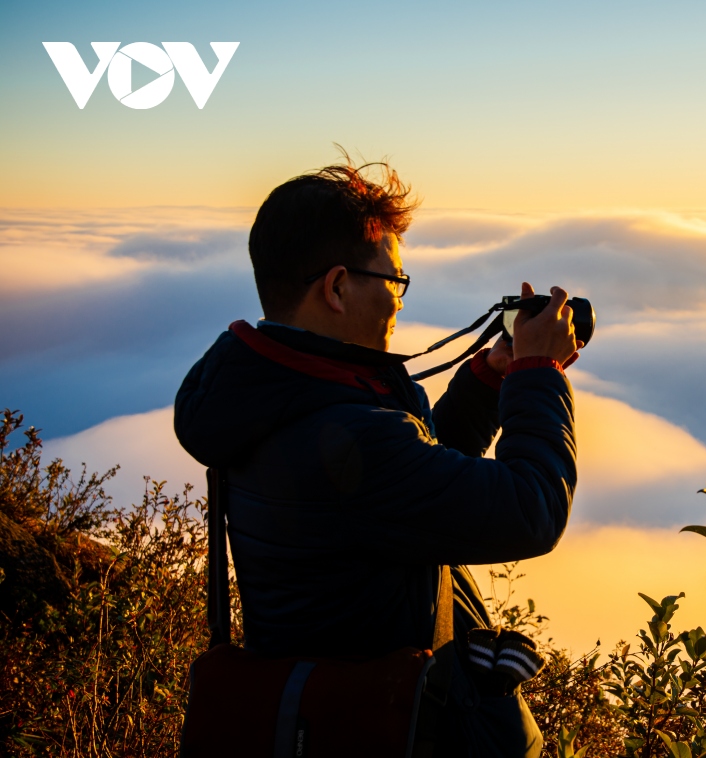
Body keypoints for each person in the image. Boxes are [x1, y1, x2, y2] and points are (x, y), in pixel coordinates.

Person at [173, 158, 580, 756]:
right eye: (394, 282)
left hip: (330, 717)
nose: (400, 302)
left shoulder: (269, 393)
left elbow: (408, 483)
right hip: (387, 731)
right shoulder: (343, 432)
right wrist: (538, 374)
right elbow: (531, 509)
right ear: (336, 287)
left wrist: (486, 385)